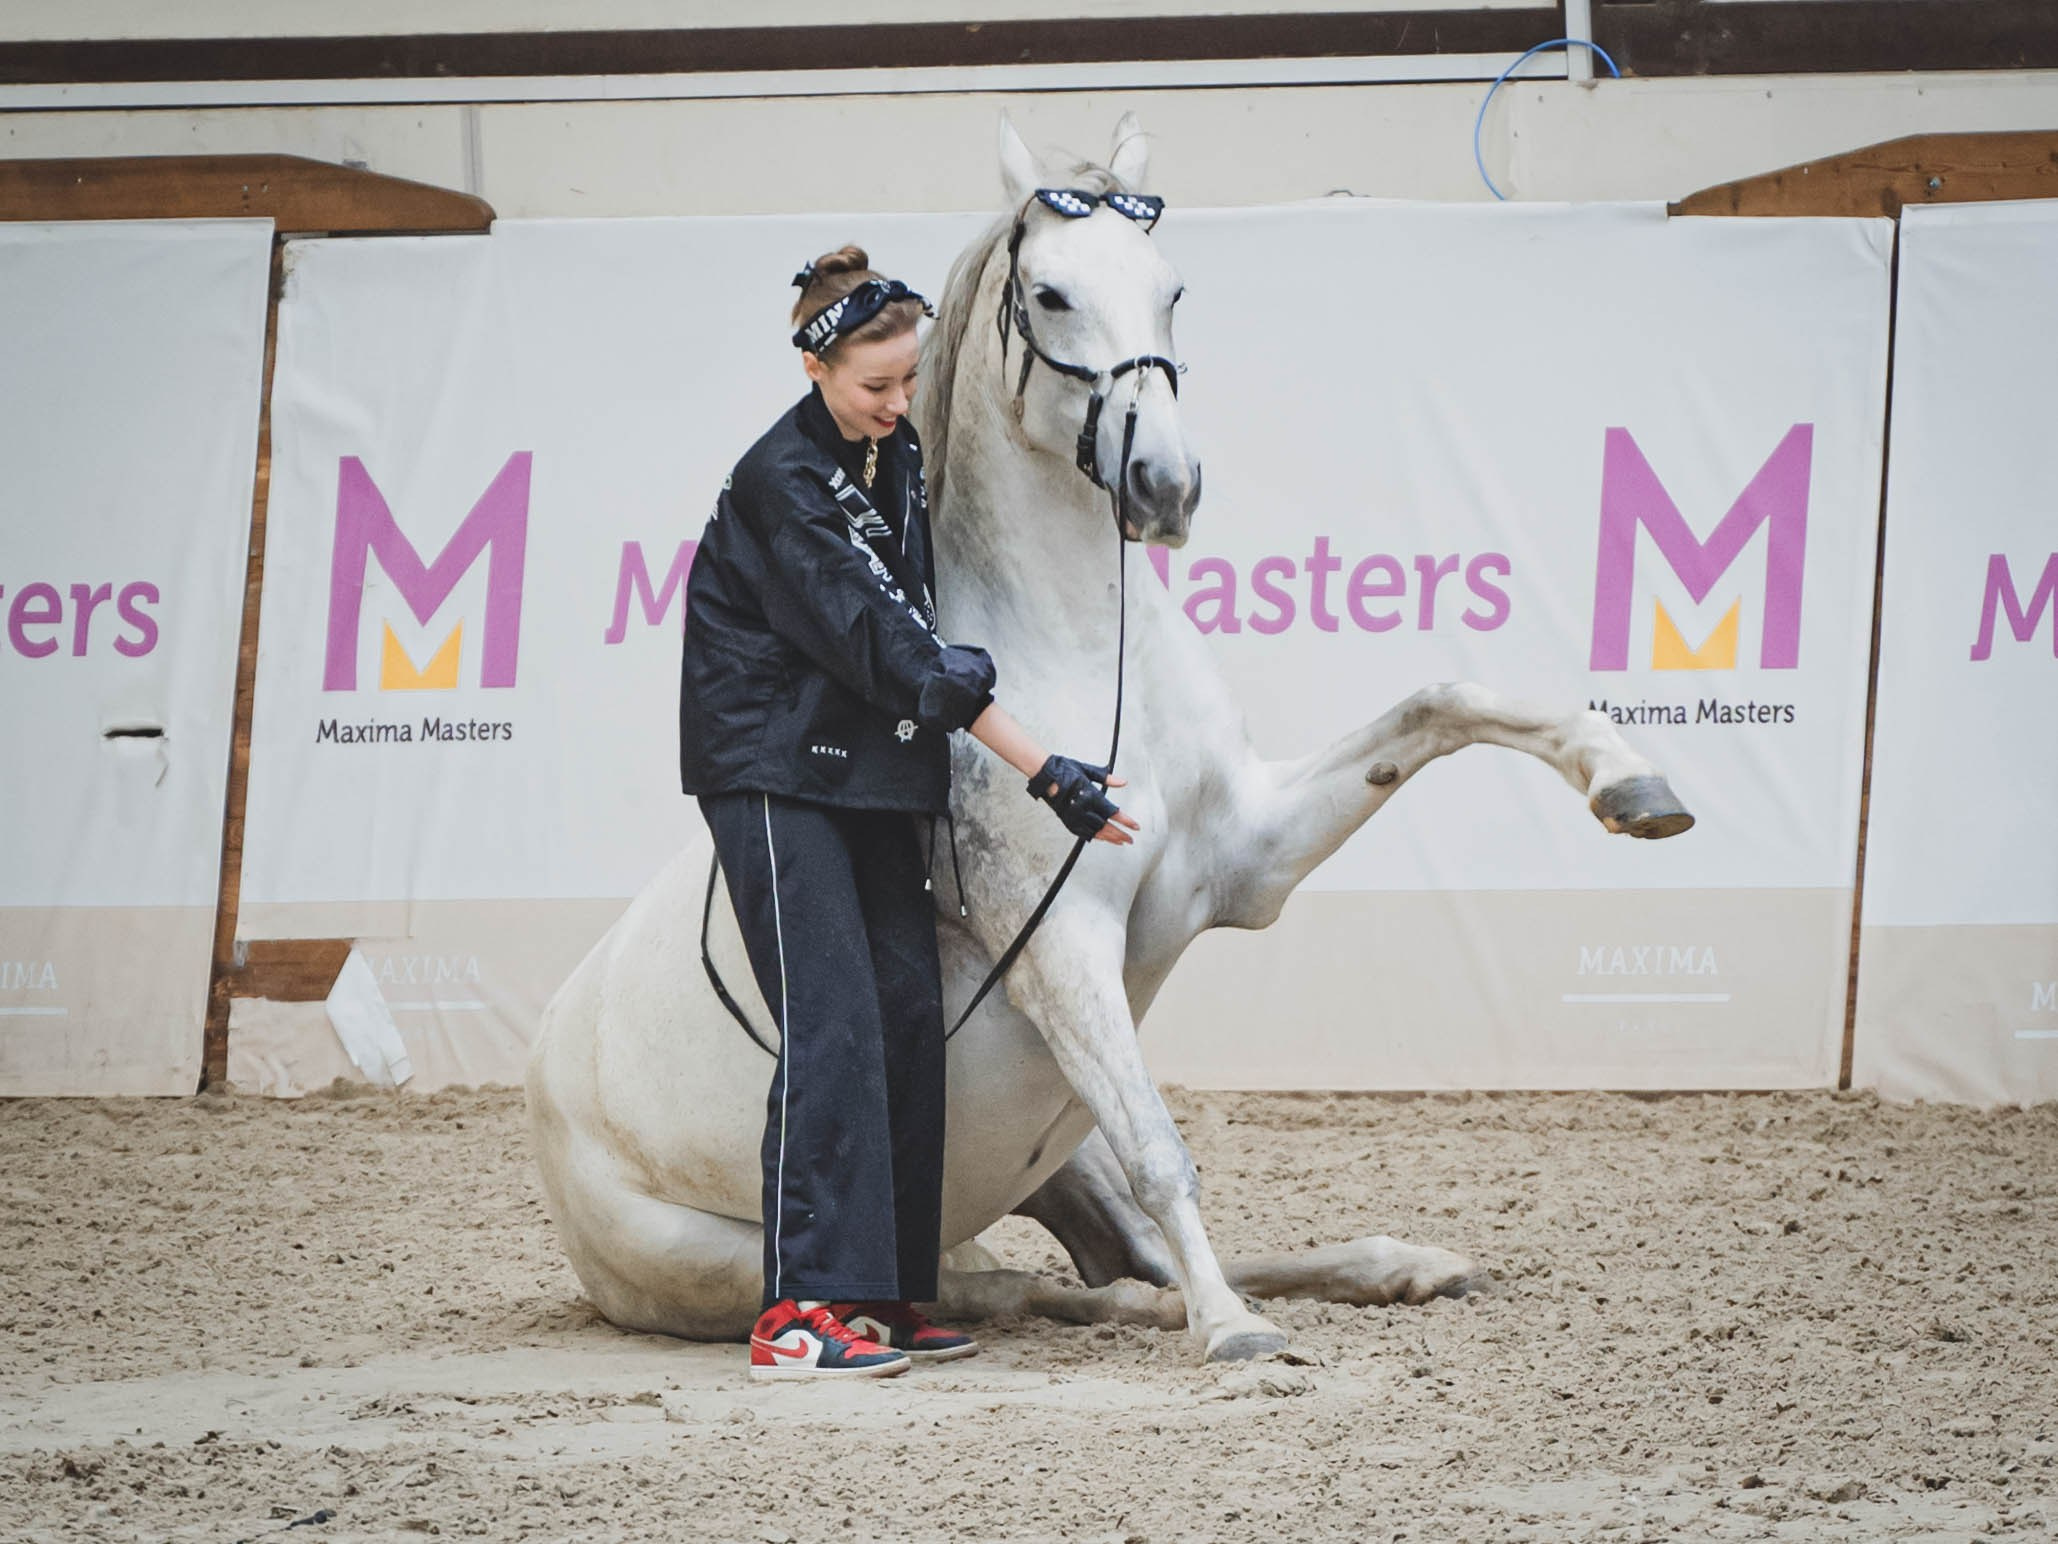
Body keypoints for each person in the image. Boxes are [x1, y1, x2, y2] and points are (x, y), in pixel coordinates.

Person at [679, 246, 1141, 1381]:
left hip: (872, 769)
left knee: (901, 1013)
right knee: (832, 1020)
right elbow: (895, 649)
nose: (897, 403)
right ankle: (798, 1314)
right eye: (875, 385)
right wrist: (1047, 769)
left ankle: (882, 1291)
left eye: (908, 380)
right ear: (814, 362)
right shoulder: (777, 482)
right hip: (775, 770)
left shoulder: (897, 448)